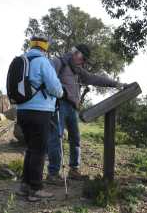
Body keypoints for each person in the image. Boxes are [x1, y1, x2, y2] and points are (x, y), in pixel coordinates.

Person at [46, 44, 127, 184]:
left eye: (84, 60)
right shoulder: (58, 62)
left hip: (72, 108)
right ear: (75, 53)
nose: (83, 62)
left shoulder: (78, 70)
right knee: (56, 138)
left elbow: (95, 78)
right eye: (82, 58)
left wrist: (117, 84)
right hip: (59, 105)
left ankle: (74, 170)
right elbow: (46, 78)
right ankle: (53, 174)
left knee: (75, 139)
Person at [16, 36, 63, 201]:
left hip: (21, 111)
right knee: (39, 150)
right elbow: (56, 88)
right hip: (39, 112)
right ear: (45, 48)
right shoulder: (43, 62)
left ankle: (25, 186)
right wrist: (61, 92)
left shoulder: (22, 60)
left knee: (31, 149)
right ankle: (36, 188)